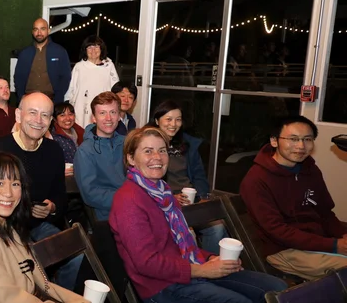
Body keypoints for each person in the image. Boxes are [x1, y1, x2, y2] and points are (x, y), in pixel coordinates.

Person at [109, 127, 286, 303]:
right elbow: (146, 263)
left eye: (162, 150)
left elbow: (179, 245)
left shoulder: (163, 193)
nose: (157, 157)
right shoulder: (129, 200)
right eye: (148, 151)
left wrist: (211, 258)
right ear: (131, 158)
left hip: (188, 270)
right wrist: (203, 270)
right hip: (162, 287)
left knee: (278, 289)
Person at [0, 152, 86, 303]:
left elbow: (43, 283)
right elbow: (10, 298)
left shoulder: (6, 226)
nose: (9, 193)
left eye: (15, 184)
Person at [0, 92, 80, 290]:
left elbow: (60, 196)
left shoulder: (53, 150)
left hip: (39, 226)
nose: (38, 120)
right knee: (21, 269)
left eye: (45, 115)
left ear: (51, 121)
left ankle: (56, 295)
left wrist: (52, 207)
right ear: (18, 115)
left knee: (76, 256)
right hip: (2, 228)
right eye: (33, 113)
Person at [240, 115, 347, 280]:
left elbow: (325, 212)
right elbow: (277, 230)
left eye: (307, 139)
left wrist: (341, 236)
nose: (301, 146)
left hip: (317, 241)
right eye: (293, 139)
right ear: (274, 141)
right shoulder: (256, 179)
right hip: (283, 250)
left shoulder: (310, 170)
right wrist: (333, 245)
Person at [148, 100, 226, 254]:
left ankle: (211, 265)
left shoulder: (186, 144)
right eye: (168, 119)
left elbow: (199, 175)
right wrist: (171, 197)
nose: (174, 124)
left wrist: (203, 197)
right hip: (166, 203)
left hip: (190, 201)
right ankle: (196, 270)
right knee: (188, 233)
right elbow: (147, 183)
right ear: (157, 121)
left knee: (217, 227)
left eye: (178, 119)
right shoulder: (149, 146)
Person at [74, 92, 124, 221]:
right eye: (102, 113)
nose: (108, 118)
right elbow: (90, 194)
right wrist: (128, 198)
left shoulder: (127, 144)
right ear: (94, 118)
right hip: (107, 215)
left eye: (113, 112)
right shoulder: (85, 151)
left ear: (119, 116)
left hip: (135, 207)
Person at [64, 36, 120, 129]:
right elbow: (71, 89)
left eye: (96, 47)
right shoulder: (79, 67)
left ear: (101, 49)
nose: (93, 50)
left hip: (103, 107)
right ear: (85, 50)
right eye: (89, 47)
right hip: (82, 108)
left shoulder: (109, 66)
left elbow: (115, 88)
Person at [14, 18, 71, 105]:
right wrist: (21, 96)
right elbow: (18, 77)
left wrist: (57, 100)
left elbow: (65, 77)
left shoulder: (60, 52)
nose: (39, 33)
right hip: (28, 101)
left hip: (51, 101)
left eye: (42, 29)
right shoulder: (24, 53)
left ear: (48, 31)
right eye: (36, 29)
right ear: (32, 32)